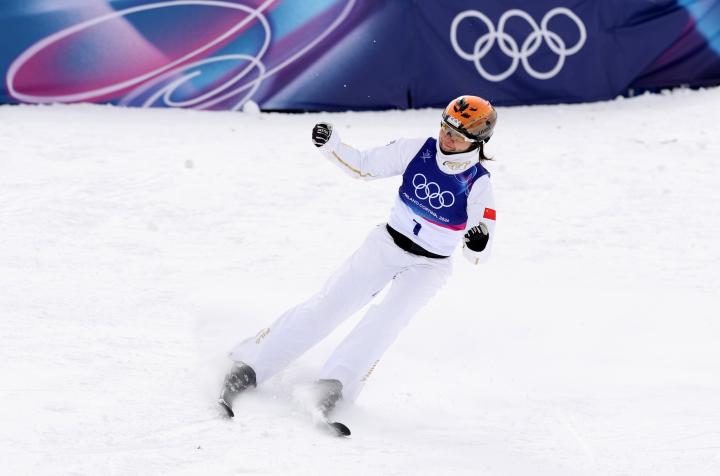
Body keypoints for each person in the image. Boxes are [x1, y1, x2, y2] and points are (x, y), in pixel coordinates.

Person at [218, 95, 498, 423]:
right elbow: (364, 166)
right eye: (445, 127)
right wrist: (332, 146)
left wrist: (478, 242)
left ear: (477, 141)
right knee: (330, 303)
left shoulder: (478, 183)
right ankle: (250, 363)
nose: (446, 137)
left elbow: (478, 254)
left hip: (430, 265)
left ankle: (332, 387)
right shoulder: (417, 150)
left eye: (457, 135)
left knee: (385, 323)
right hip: (386, 244)